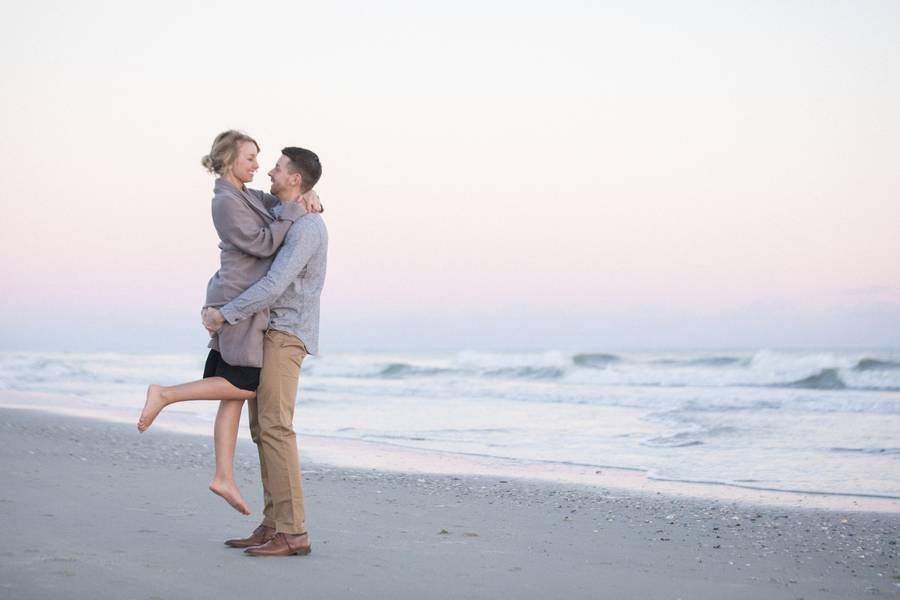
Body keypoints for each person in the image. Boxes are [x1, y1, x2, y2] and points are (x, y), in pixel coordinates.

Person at [137, 130, 320, 516]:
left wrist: (309, 198)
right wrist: (298, 205)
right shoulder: (225, 201)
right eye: (251, 158)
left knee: (233, 392)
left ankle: (224, 475)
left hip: (241, 303)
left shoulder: (247, 196)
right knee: (241, 385)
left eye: (265, 161)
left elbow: (280, 203)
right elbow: (264, 244)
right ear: (228, 160)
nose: (261, 166)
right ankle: (165, 395)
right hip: (238, 301)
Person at [203, 146, 327, 557]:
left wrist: (227, 314)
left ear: (295, 178)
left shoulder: (307, 228)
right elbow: (248, 200)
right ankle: (274, 524)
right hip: (269, 332)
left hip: (286, 334)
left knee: (276, 428)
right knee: (263, 431)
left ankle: (294, 533)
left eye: (278, 167)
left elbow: (274, 285)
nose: (269, 171)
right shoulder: (283, 214)